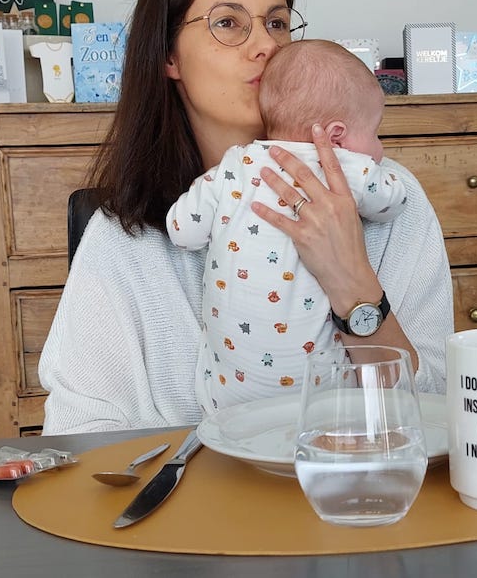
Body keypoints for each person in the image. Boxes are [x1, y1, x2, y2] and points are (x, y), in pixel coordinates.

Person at [38, 0, 453, 434]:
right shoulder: (122, 234)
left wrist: (354, 287)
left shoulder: (392, 200)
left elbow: (435, 411)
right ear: (169, 57)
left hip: (348, 498)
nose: (265, 46)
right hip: (184, 508)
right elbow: (81, 432)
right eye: (228, 23)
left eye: (277, 23)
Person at [165, 39, 407, 412]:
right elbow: (393, 201)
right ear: (337, 136)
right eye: (376, 132)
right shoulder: (346, 167)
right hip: (324, 404)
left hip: (227, 400)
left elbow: (181, 230)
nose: (380, 149)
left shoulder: (235, 166)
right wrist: (381, 175)